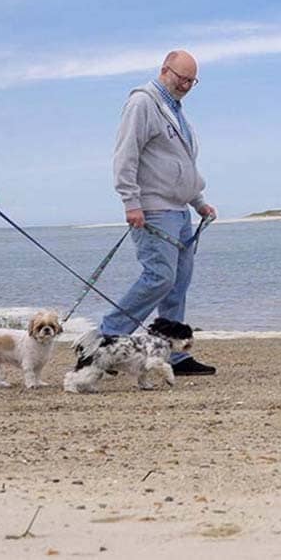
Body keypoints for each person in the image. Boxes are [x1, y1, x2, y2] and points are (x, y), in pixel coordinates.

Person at [99, 49, 217, 375]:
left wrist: (199, 201)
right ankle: (108, 337)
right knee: (159, 278)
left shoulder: (177, 112)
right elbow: (126, 155)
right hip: (153, 208)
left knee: (178, 284)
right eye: (183, 78)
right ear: (165, 70)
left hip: (180, 211)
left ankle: (173, 354)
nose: (187, 85)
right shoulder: (142, 103)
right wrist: (130, 202)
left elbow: (181, 165)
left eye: (193, 81)